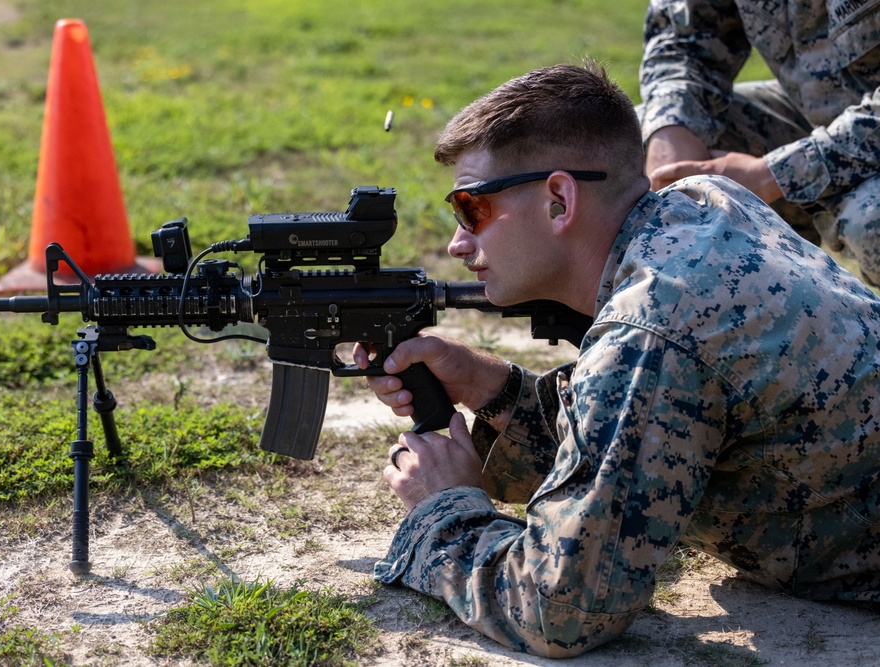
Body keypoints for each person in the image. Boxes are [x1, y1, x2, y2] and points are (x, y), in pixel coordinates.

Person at [354, 61, 880, 658]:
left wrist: (444, 511)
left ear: (559, 199)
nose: (457, 242)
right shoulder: (701, 204)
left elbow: (561, 609)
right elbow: (647, 432)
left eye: (471, 208)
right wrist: (491, 388)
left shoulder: (652, 323)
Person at [638, 0, 880, 284]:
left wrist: (773, 175)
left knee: (871, 223)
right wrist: (672, 136)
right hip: (814, 115)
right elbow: (684, 37)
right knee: (629, 147)